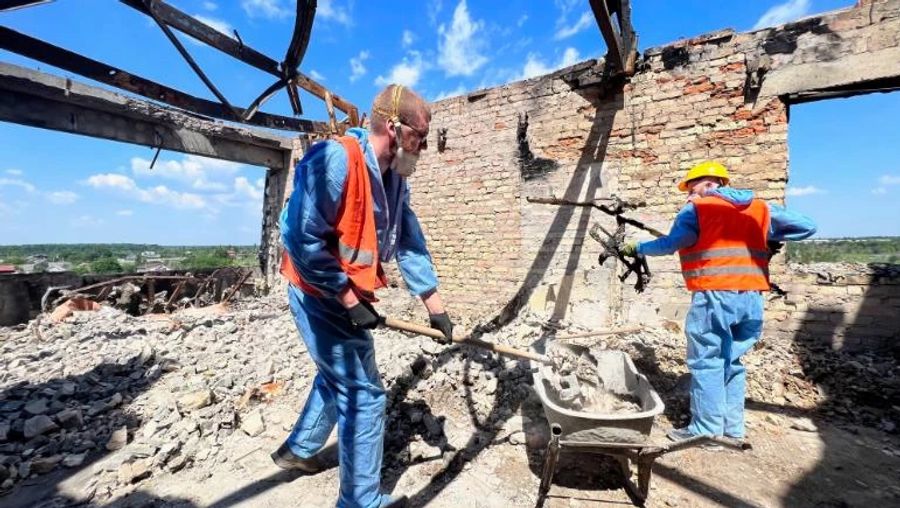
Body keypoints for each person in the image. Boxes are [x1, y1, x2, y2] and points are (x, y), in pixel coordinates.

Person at [274, 84, 454, 508]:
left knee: (340, 374)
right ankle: (359, 502)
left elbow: (408, 240)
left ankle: (297, 450)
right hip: (317, 291)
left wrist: (435, 307)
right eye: (420, 138)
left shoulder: (394, 178)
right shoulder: (336, 161)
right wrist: (350, 302)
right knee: (365, 396)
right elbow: (302, 241)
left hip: (341, 295)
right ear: (394, 128)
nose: (424, 148)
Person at [623, 161, 816, 443]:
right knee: (732, 362)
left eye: (692, 188)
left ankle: (706, 431)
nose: (689, 195)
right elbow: (808, 227)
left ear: (709, 183)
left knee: (707, 361)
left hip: (715, 294)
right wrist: (768, 233)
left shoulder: (697, 209)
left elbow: (670, 244)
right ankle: (731, 430)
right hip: (751, 297)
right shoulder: (761, 208)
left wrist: (637, 247)